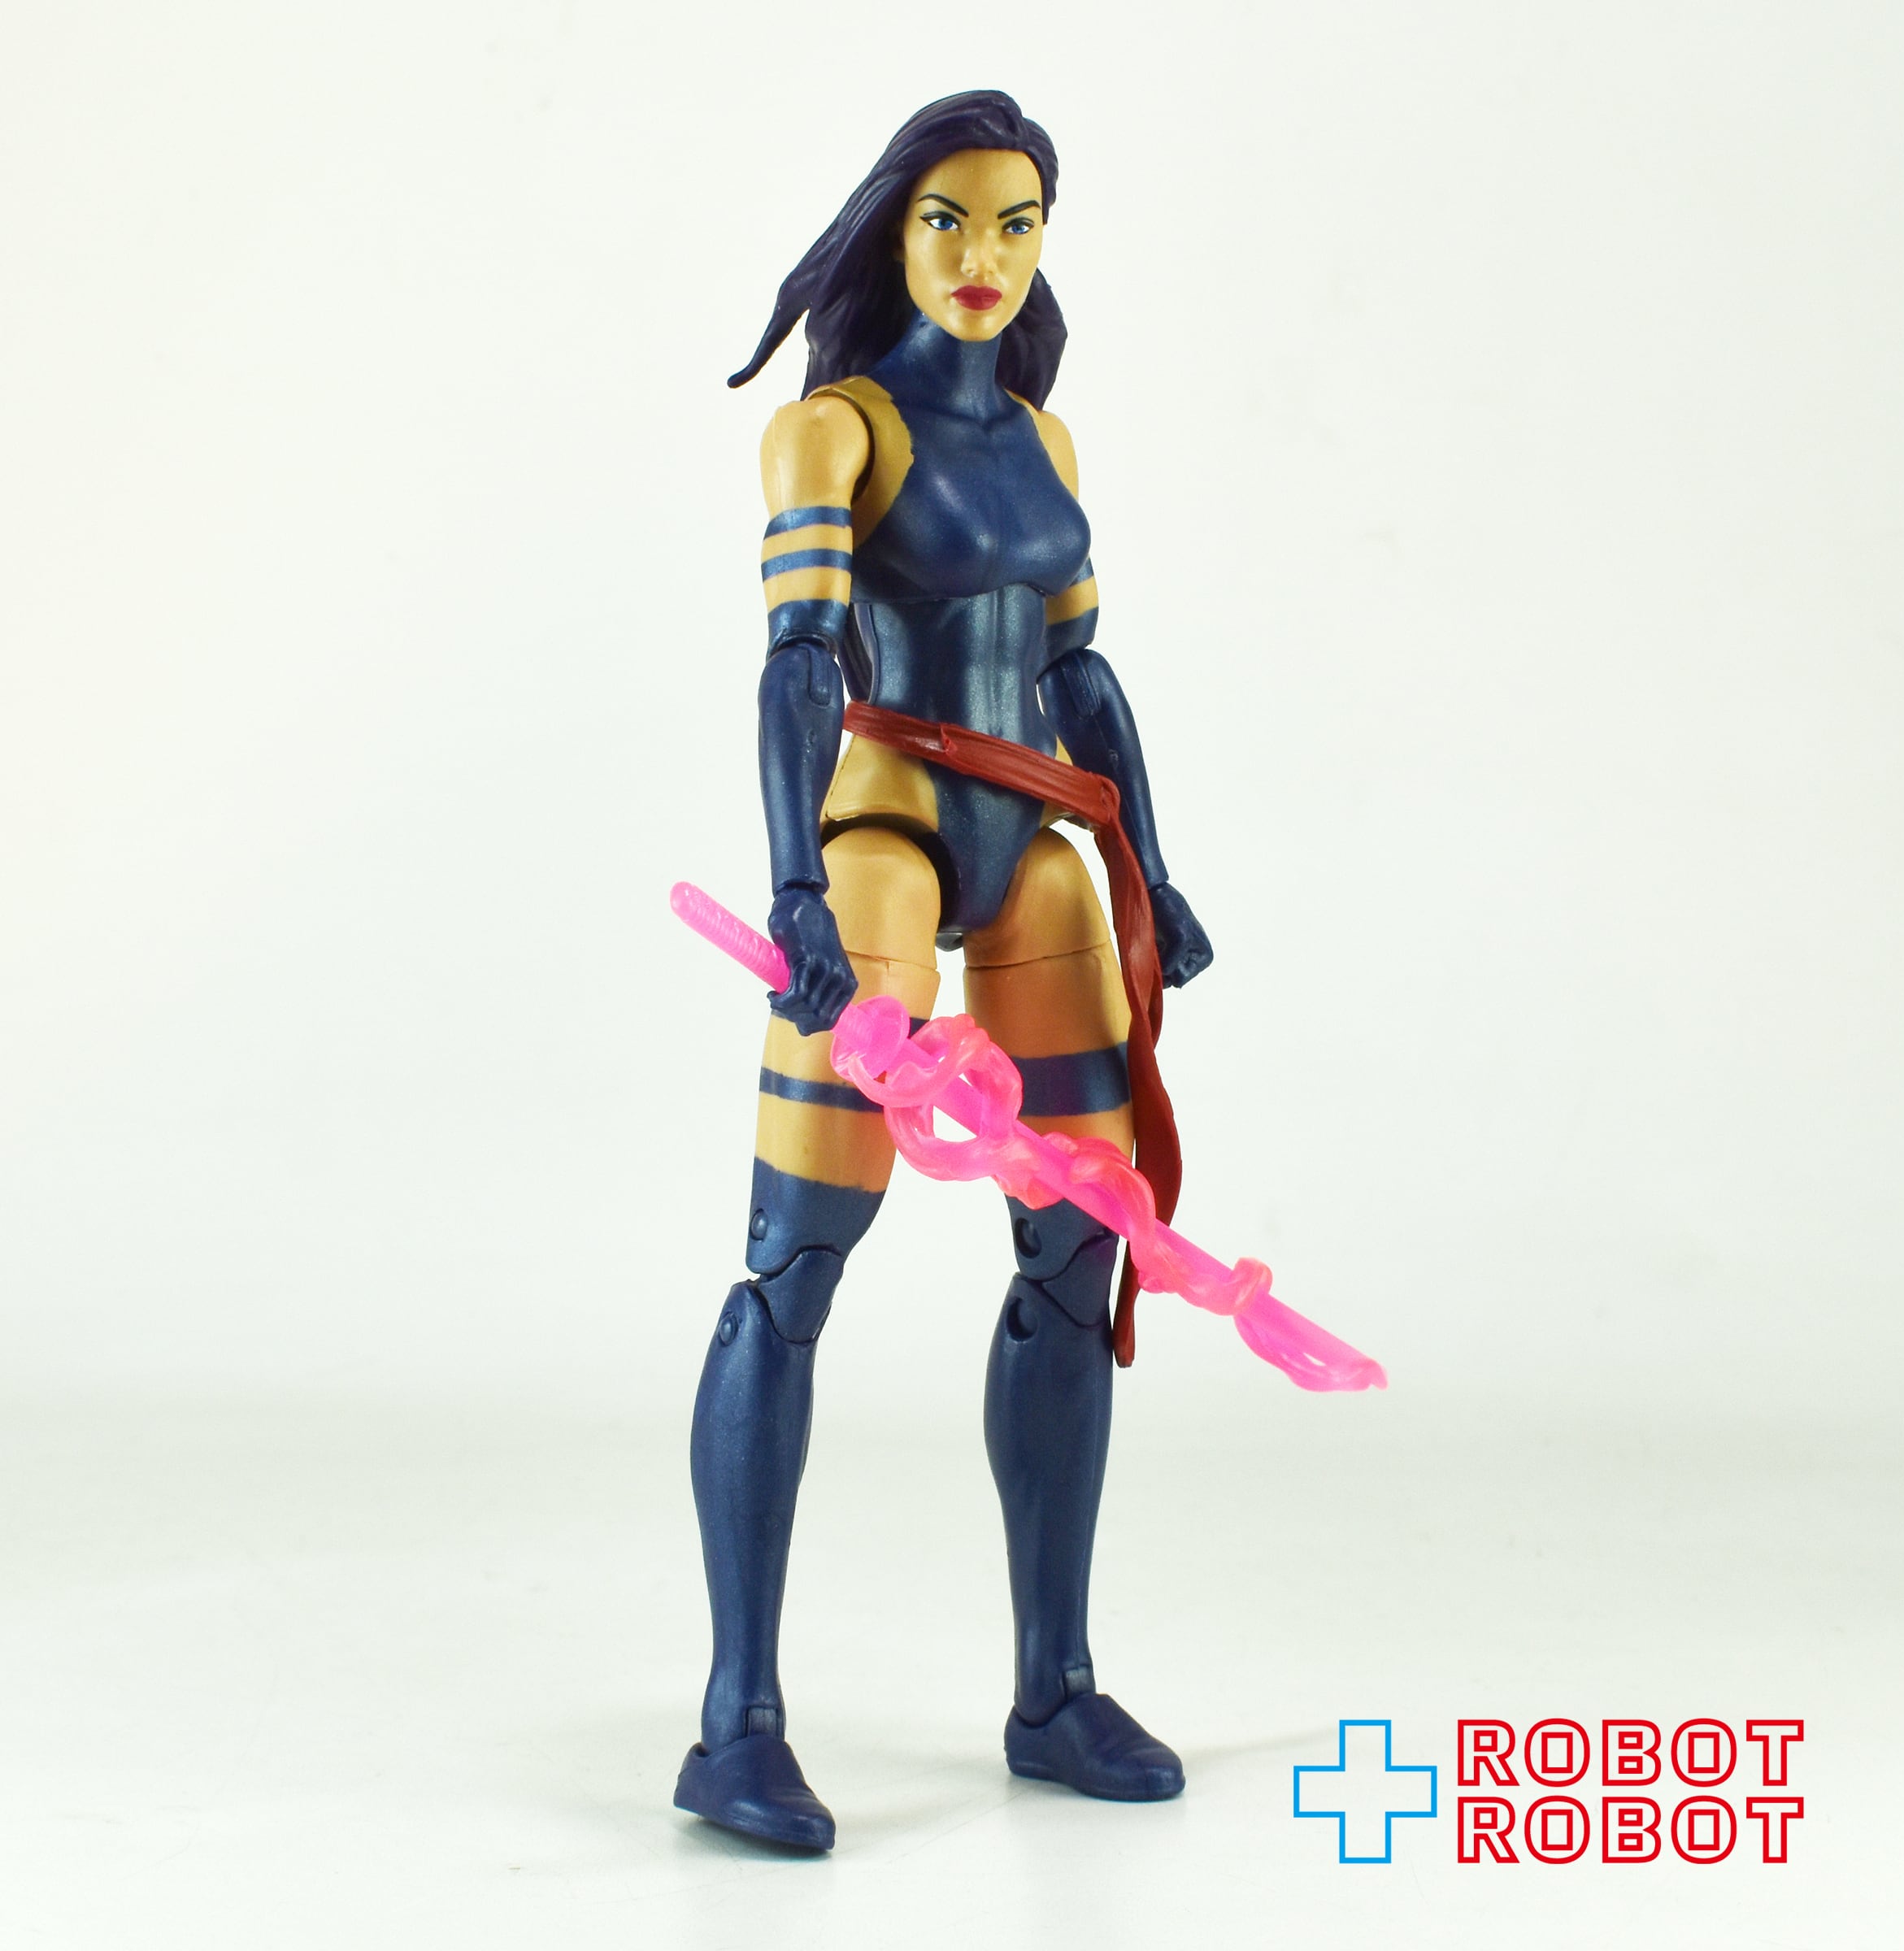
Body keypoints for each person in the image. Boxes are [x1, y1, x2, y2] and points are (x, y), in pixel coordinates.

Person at [676, 89, 1215, 1852]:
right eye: (950, 221)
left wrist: (1154, 866)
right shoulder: (832, 432)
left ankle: (1053, 1689)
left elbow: (1082, 677)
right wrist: (797, 887)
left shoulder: (1046, 446)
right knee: (796, 1261)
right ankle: (735, 1726)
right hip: (887, 838)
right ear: (893, 229)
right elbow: (798, 665)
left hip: (1036, 846)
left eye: (1018, 224)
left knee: (1078, 1244)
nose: (985, 257)